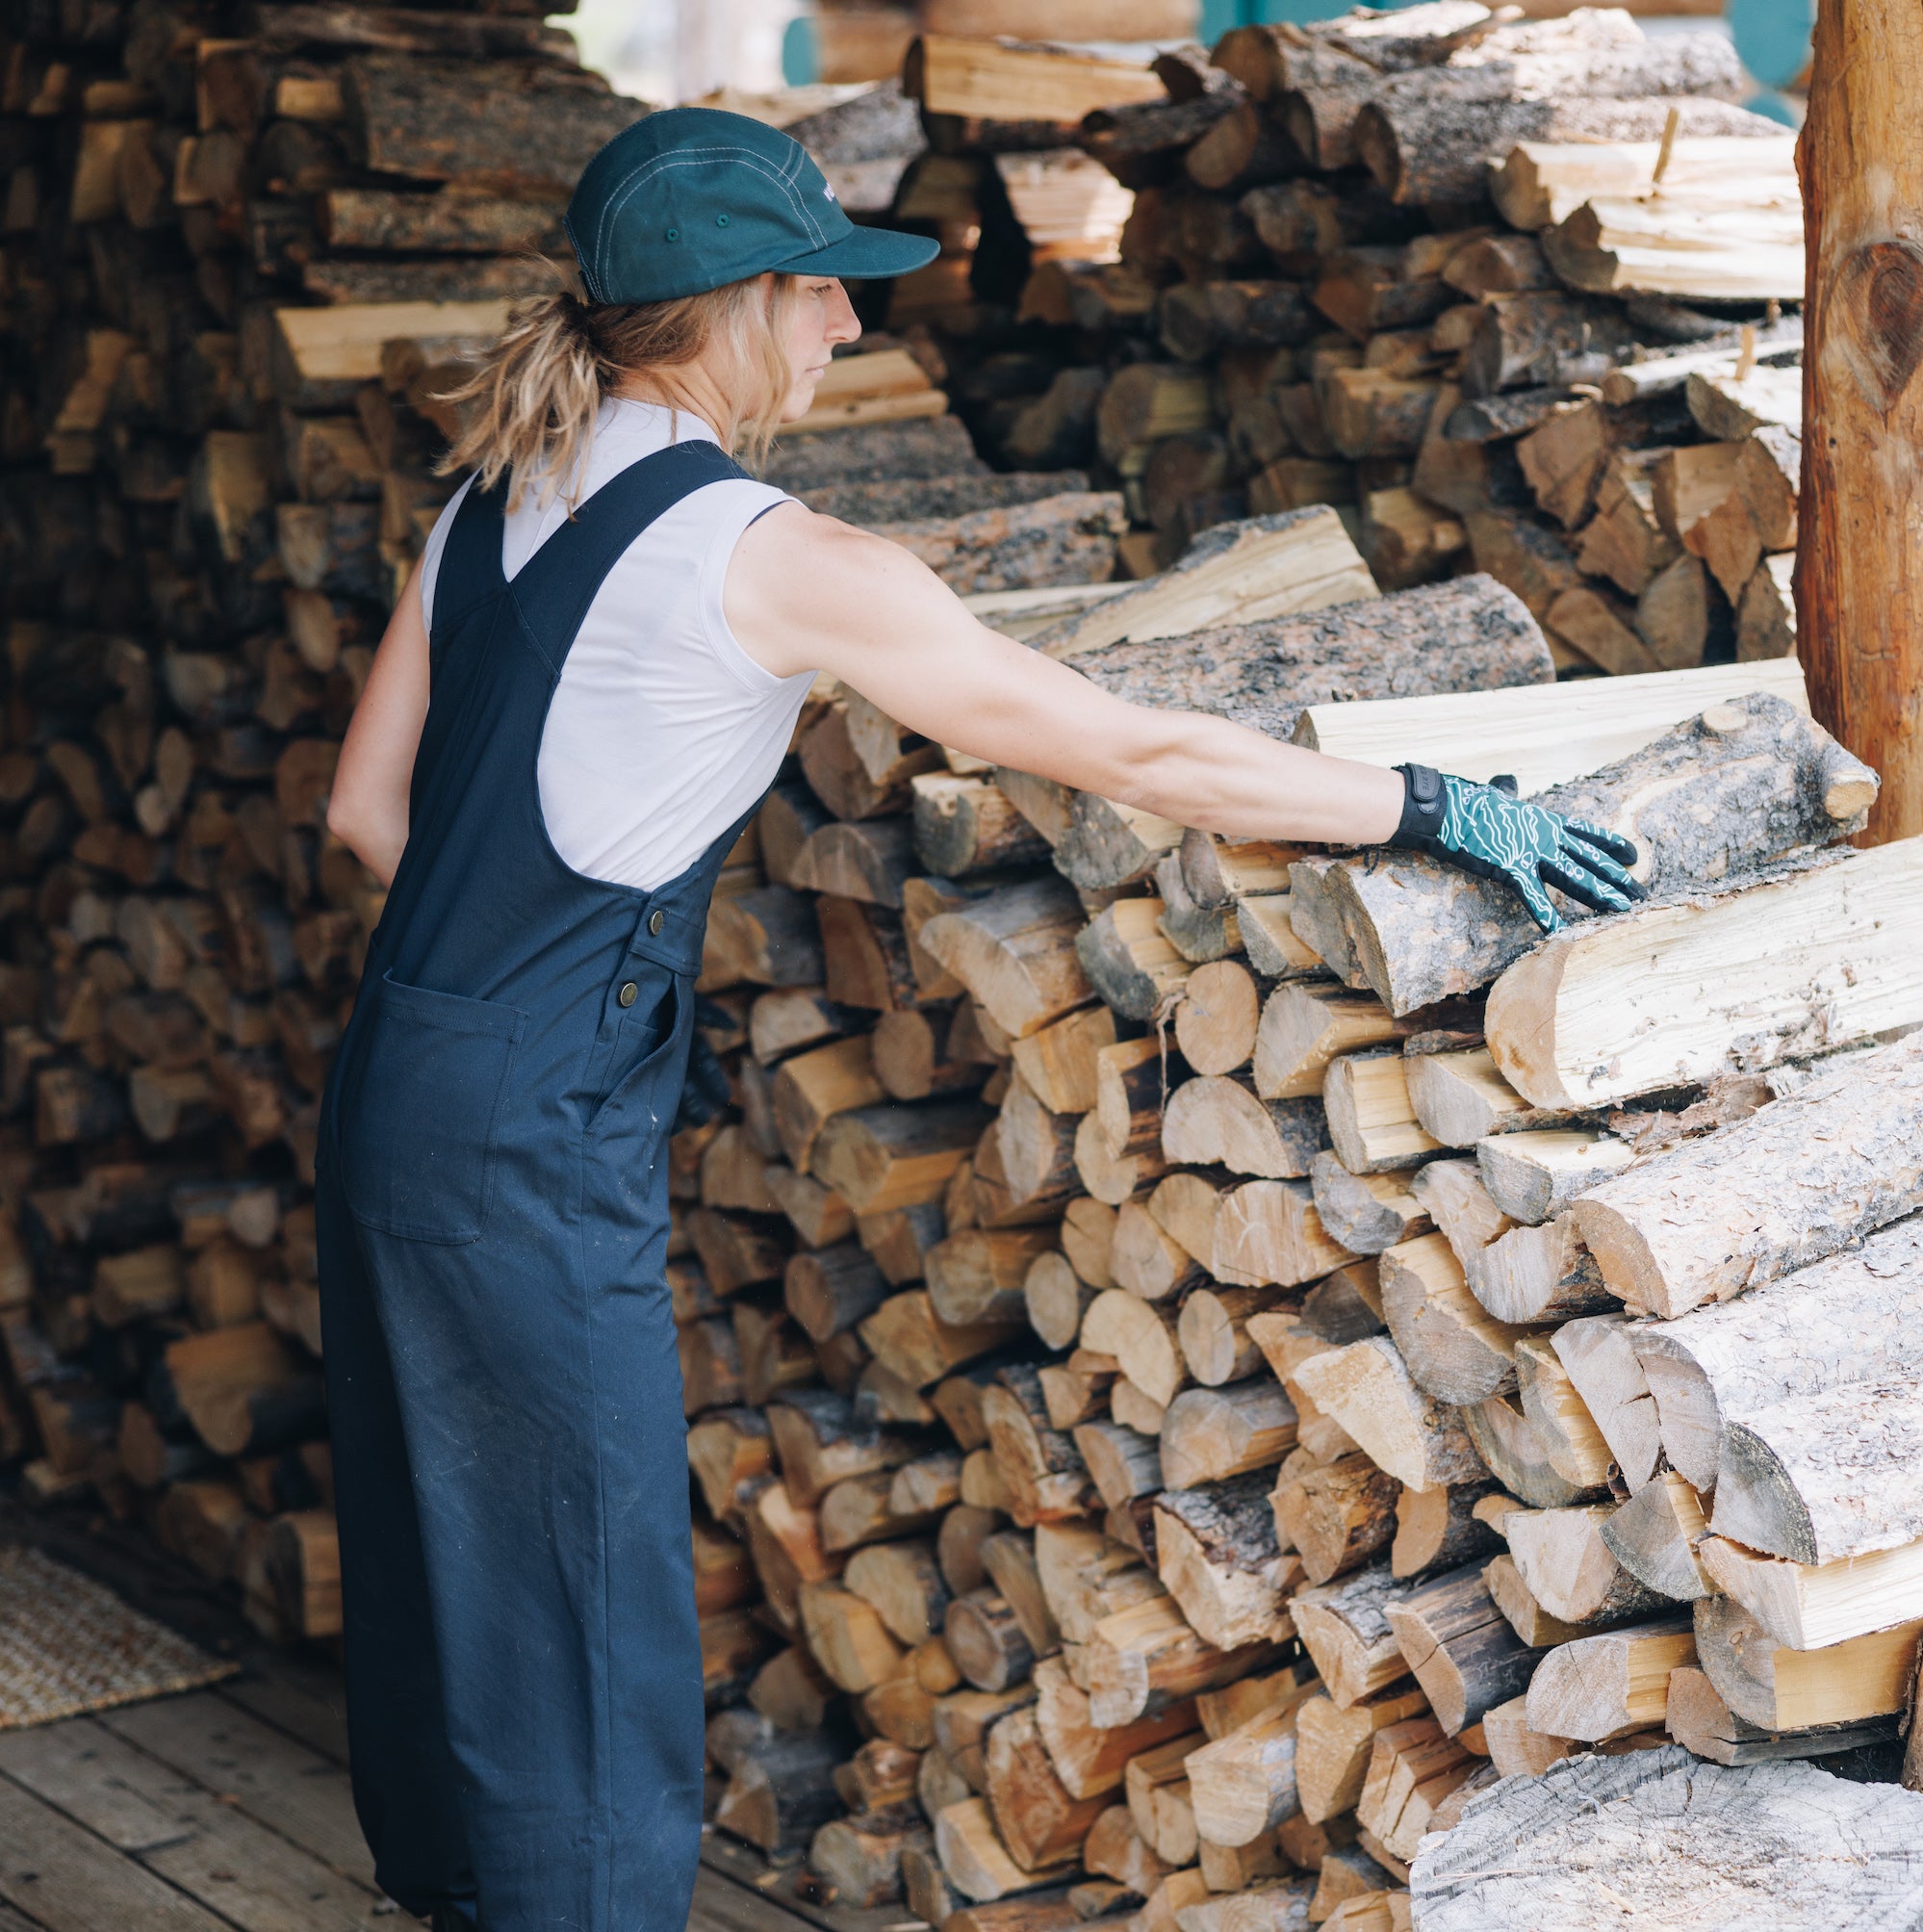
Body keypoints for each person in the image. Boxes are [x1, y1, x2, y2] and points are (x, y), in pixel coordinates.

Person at [319, 106, 1642, 1932]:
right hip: (530, 1134)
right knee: (580, 1605)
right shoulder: (767, 554)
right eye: (818, 299)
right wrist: (1428, 807)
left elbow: (366, 817)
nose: (846, 336)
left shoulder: (492, 498)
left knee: (441, 1574)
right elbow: (1131, 745)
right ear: (722, 309)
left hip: (403, 1080)